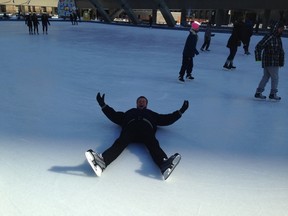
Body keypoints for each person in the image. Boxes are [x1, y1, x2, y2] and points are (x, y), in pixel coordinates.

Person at [86, 92, 189, 179]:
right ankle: (102, 162)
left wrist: (180, 111)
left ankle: (164, 164)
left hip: (146, 130)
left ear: (146, 104)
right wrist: (103, 105)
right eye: (140, 101)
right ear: (136, 103)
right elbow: (114, 115)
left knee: (153, 144)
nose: (141, 102)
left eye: (143, 101)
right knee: (120, 143)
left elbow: (167, 119)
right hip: (130, 129)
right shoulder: (129, 112)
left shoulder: (152, 114)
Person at [254, 21, 285, 100]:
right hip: (271, 61)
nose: (282, 30)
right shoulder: (270, 36)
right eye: (280, 28)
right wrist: (258, 58)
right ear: (276, 28)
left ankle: (258, 92)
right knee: (275, 77)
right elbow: (259, 46)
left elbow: (280, 50)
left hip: (274, 61)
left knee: (266, 77)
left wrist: (281, 61)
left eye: (283, 29)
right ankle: (273, 94)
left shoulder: (277, 37)